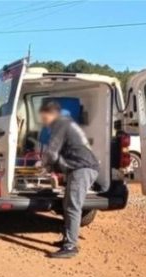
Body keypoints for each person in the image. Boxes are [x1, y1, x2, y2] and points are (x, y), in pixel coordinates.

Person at [39, 100, 99, 259]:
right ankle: (68, 239)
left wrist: (44, 167)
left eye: (44, 117)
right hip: (80, 167)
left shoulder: (60, 124)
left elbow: (52, 153)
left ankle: (70, 246)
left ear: (51, 114)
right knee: (68, 204)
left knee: (73, 206)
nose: (43, 121)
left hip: (82, 168)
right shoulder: (66, 123)